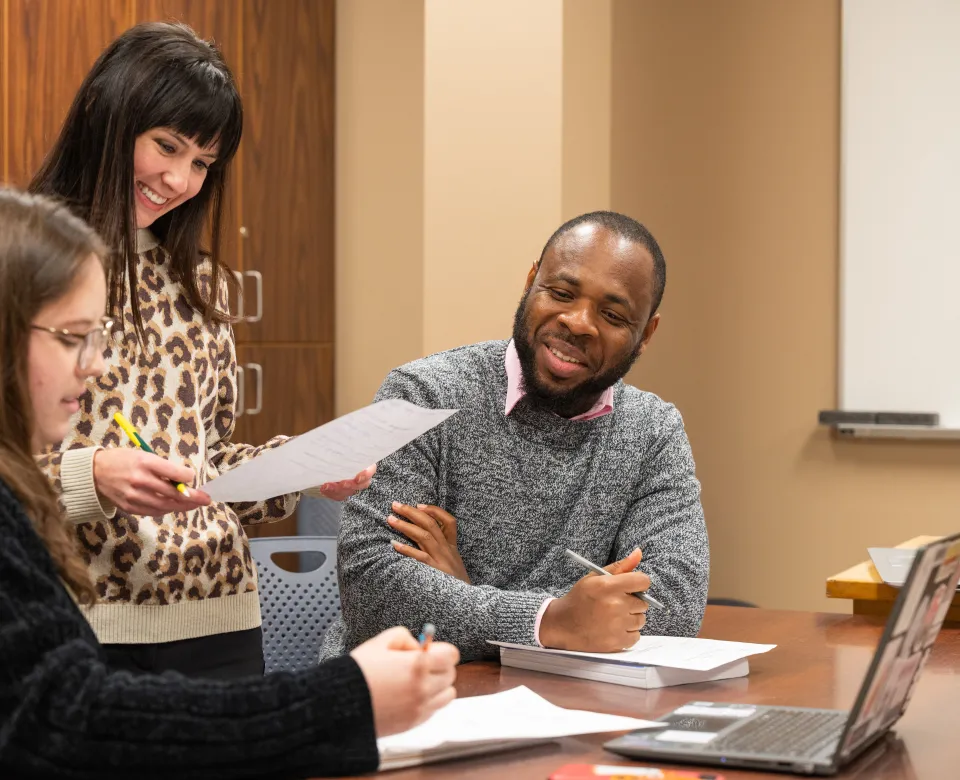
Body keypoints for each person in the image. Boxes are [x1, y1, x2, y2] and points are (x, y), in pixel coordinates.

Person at [0, 188, 459, 779]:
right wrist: (348, 698)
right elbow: (70, 722)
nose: (91, 367)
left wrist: (300, 467)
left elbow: (70, 718)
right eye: (71, 338)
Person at [30, 22, 372, 678]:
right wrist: (91, 475)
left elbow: (203, 470)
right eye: (167, 146)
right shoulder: (23, 262)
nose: (180, 180)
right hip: (74, 619)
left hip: (221, 622)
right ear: (107, 115)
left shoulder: (203, 284)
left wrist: (299, 470)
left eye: (202, 164)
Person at [320, 211, 710, 663]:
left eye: (612, 314)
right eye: (561, 293)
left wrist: (468, 594)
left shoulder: (653, 431)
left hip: (571, 704)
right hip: (408, 699)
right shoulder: (422, 396)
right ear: (530, 282)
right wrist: (550, 621)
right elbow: (374, 593)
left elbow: (674, 605)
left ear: (647, 335)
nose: (579, 322)